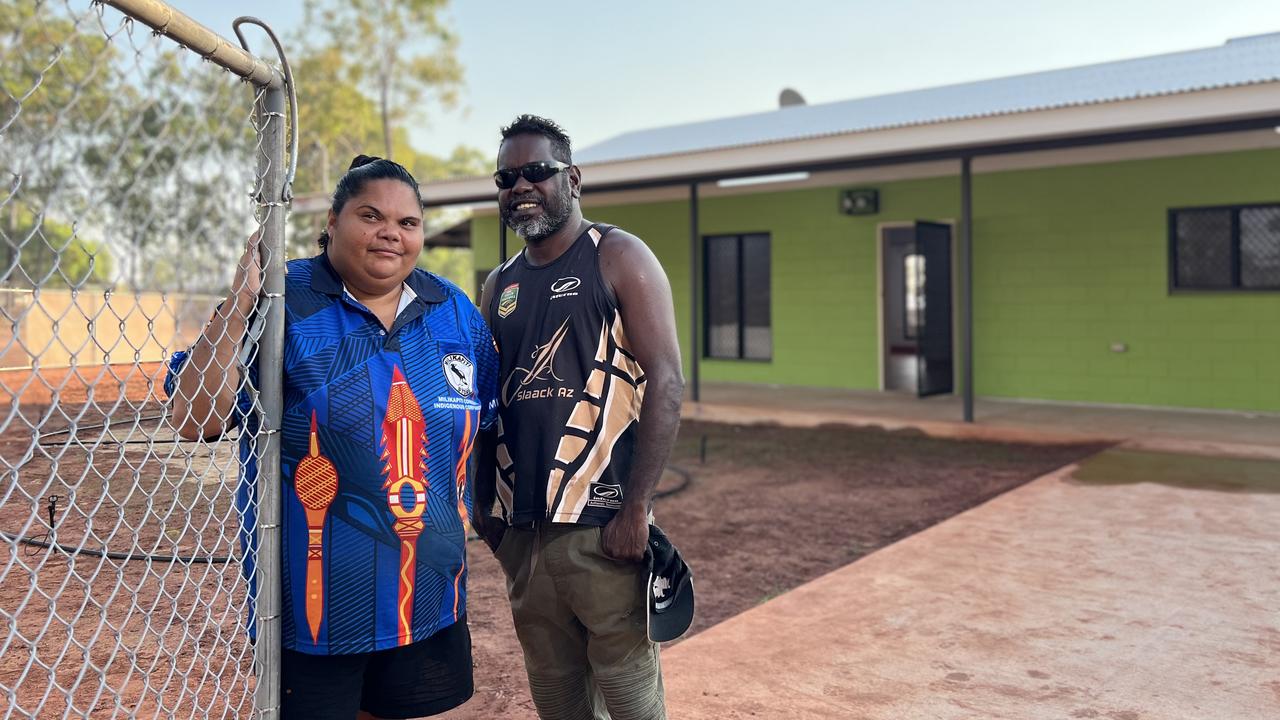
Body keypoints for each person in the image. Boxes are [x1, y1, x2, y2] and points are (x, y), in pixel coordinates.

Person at [167, 156, 498, 720]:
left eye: (408, 222)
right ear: (332, 220)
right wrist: (243, 297)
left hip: (431, 602)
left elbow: (486, 424)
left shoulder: (454, 311)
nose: (391, 232)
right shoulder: (284, 300)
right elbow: (195, 417)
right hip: (315, 617)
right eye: (371, 215)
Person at [472, 115, 685, 720]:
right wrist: (482, 502)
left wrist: (637, 507)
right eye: (507, 177)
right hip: (525, 534)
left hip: (603, 525)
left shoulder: (618, 256)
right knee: (557, 694)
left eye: (536, 172)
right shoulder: (501, 285)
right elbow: (492, 401)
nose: (521, 187)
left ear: (573, 178)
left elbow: (667, 381)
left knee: (627, 690)